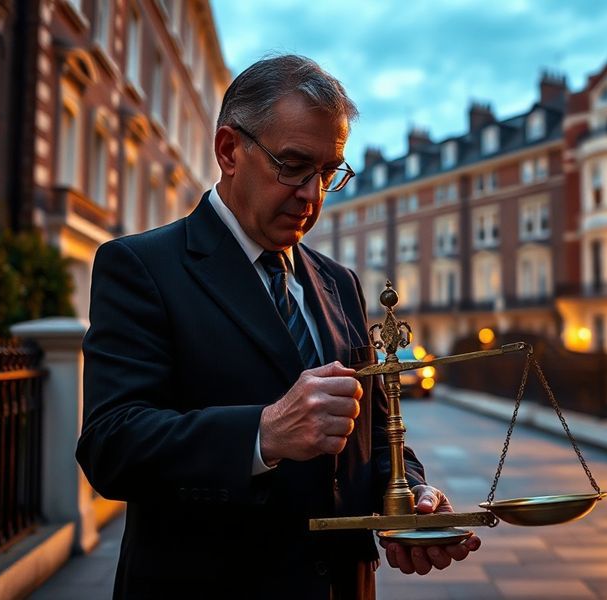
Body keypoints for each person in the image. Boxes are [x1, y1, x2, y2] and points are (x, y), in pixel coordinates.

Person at [76, 54, 479, 599]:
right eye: (292, 165)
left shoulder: (341, 282)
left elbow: (376, 433)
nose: (312, 196)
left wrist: (409, 495)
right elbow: (111, 445)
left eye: (328, 172)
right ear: (228, 151)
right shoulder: (141, 266)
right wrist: (263, 433)